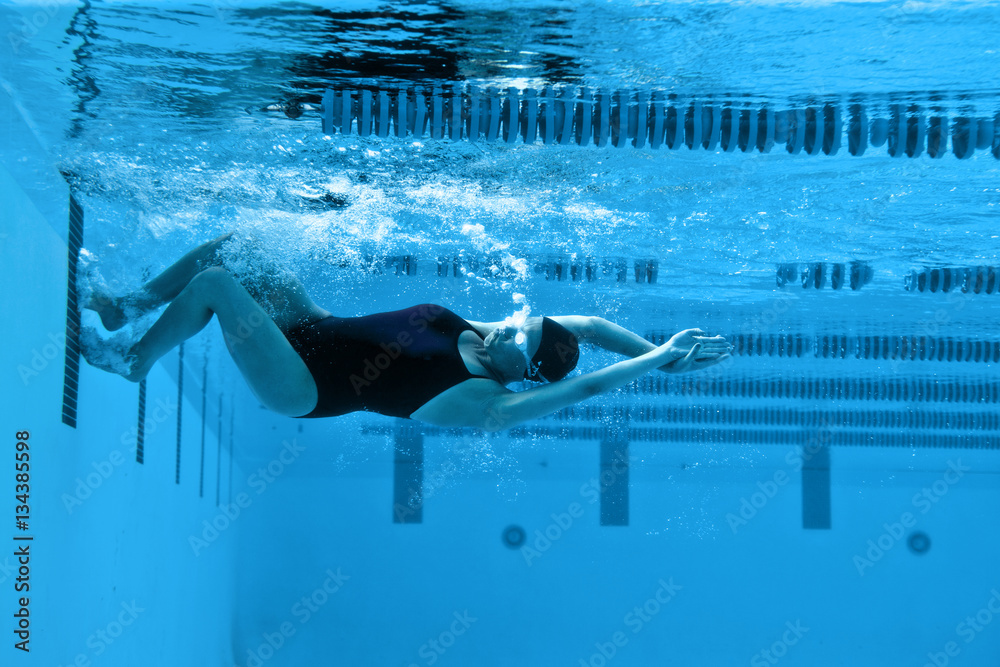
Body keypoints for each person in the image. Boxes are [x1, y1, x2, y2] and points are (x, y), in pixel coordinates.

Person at [82, 233, 731, 431]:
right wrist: (664, 353)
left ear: (525, 374)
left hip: (305, 384)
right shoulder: (491, 338)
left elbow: (584, 390)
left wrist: (650, 367)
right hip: (313, 325)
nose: (507, 325)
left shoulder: (486, 404)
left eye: (518, 339)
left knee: (219, 286)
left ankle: (133, 360)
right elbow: (585, 326)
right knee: (244, 249)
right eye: (520, 322)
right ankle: (124, 307)